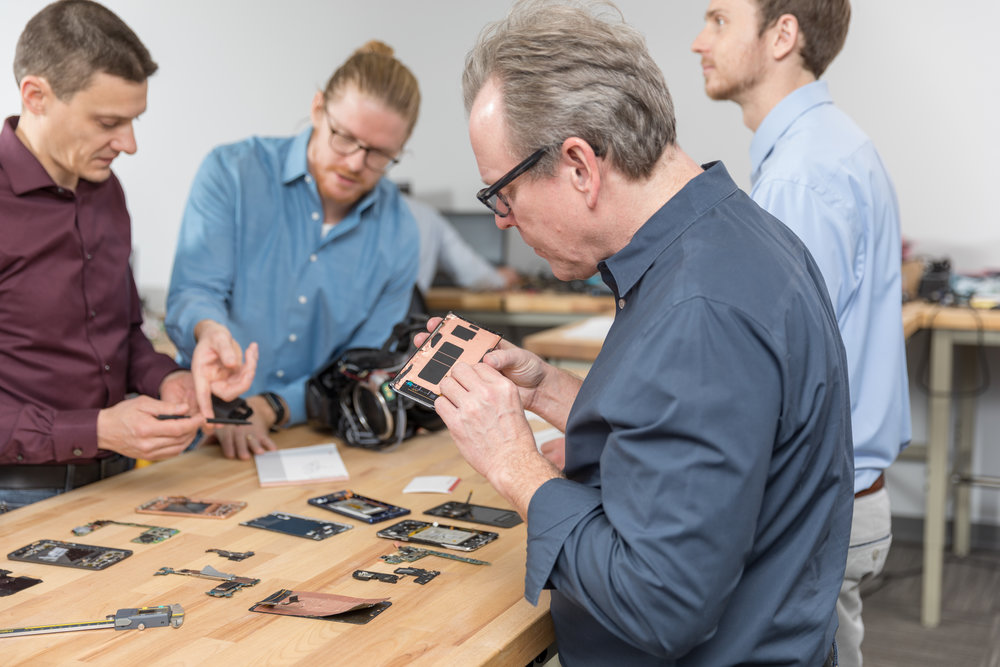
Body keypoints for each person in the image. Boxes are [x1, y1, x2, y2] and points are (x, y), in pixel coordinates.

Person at [421, 1, 853, 664]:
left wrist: (513, 462)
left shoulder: (700, 310)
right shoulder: (727, 242)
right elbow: (692, 438)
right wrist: (548, 388)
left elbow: (659, 601)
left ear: (579, 167)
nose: (502, 221)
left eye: (501, 194)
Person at [692, 2, 910, 664]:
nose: (699, 40)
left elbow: (772, 374)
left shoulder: (800, 178)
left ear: (782, 34)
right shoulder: (826, 148)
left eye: (719, 20)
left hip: (819, 515)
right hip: (844, 498)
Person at [0, 0, 256, 512]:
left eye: (134, 120)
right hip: (15, 499)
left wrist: (169, 379)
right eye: (108, 122)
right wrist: (94, 429)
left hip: (117, 485)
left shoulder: (106, 190)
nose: (130, 144)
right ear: (37, 96)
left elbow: (123, 333)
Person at [166, 41, 421, 460]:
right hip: (200, 429)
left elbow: (363, 363)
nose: (356, 163)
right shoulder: (232, 173)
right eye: (345, 138)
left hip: (308, 437)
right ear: (318, 108)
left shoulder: (400, 232)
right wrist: (209, 331)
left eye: (378, 154)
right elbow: (194, 292)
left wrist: (272, 407)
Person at [404, 195, 520, 294]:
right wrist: (500, 278)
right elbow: (476, 276)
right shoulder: (423, 214)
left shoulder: (421, 214)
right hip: (408, 317)